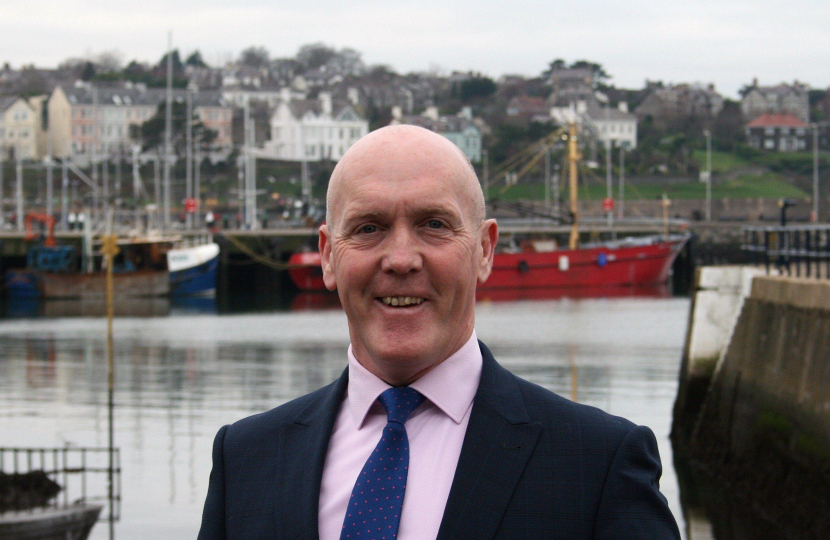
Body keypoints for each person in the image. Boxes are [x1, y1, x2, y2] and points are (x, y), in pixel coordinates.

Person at [197, 125, 680, 540]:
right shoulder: (245, 459)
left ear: (485, 250)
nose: (401, 259)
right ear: (327, 255)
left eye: (433, 224)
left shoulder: (597, 464)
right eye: (368, 228)